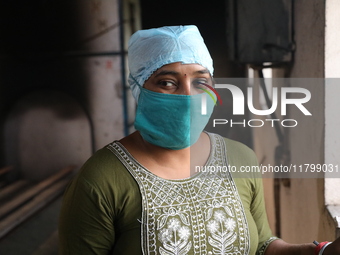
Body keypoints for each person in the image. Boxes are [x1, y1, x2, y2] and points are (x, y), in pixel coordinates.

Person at [58, 25, 340, 255]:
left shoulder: (241, 158)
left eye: (200, 82)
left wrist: (321, 252)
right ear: (139, 88)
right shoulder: (100, 179)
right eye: (168, 82)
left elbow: (262, 245)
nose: (188, 96)